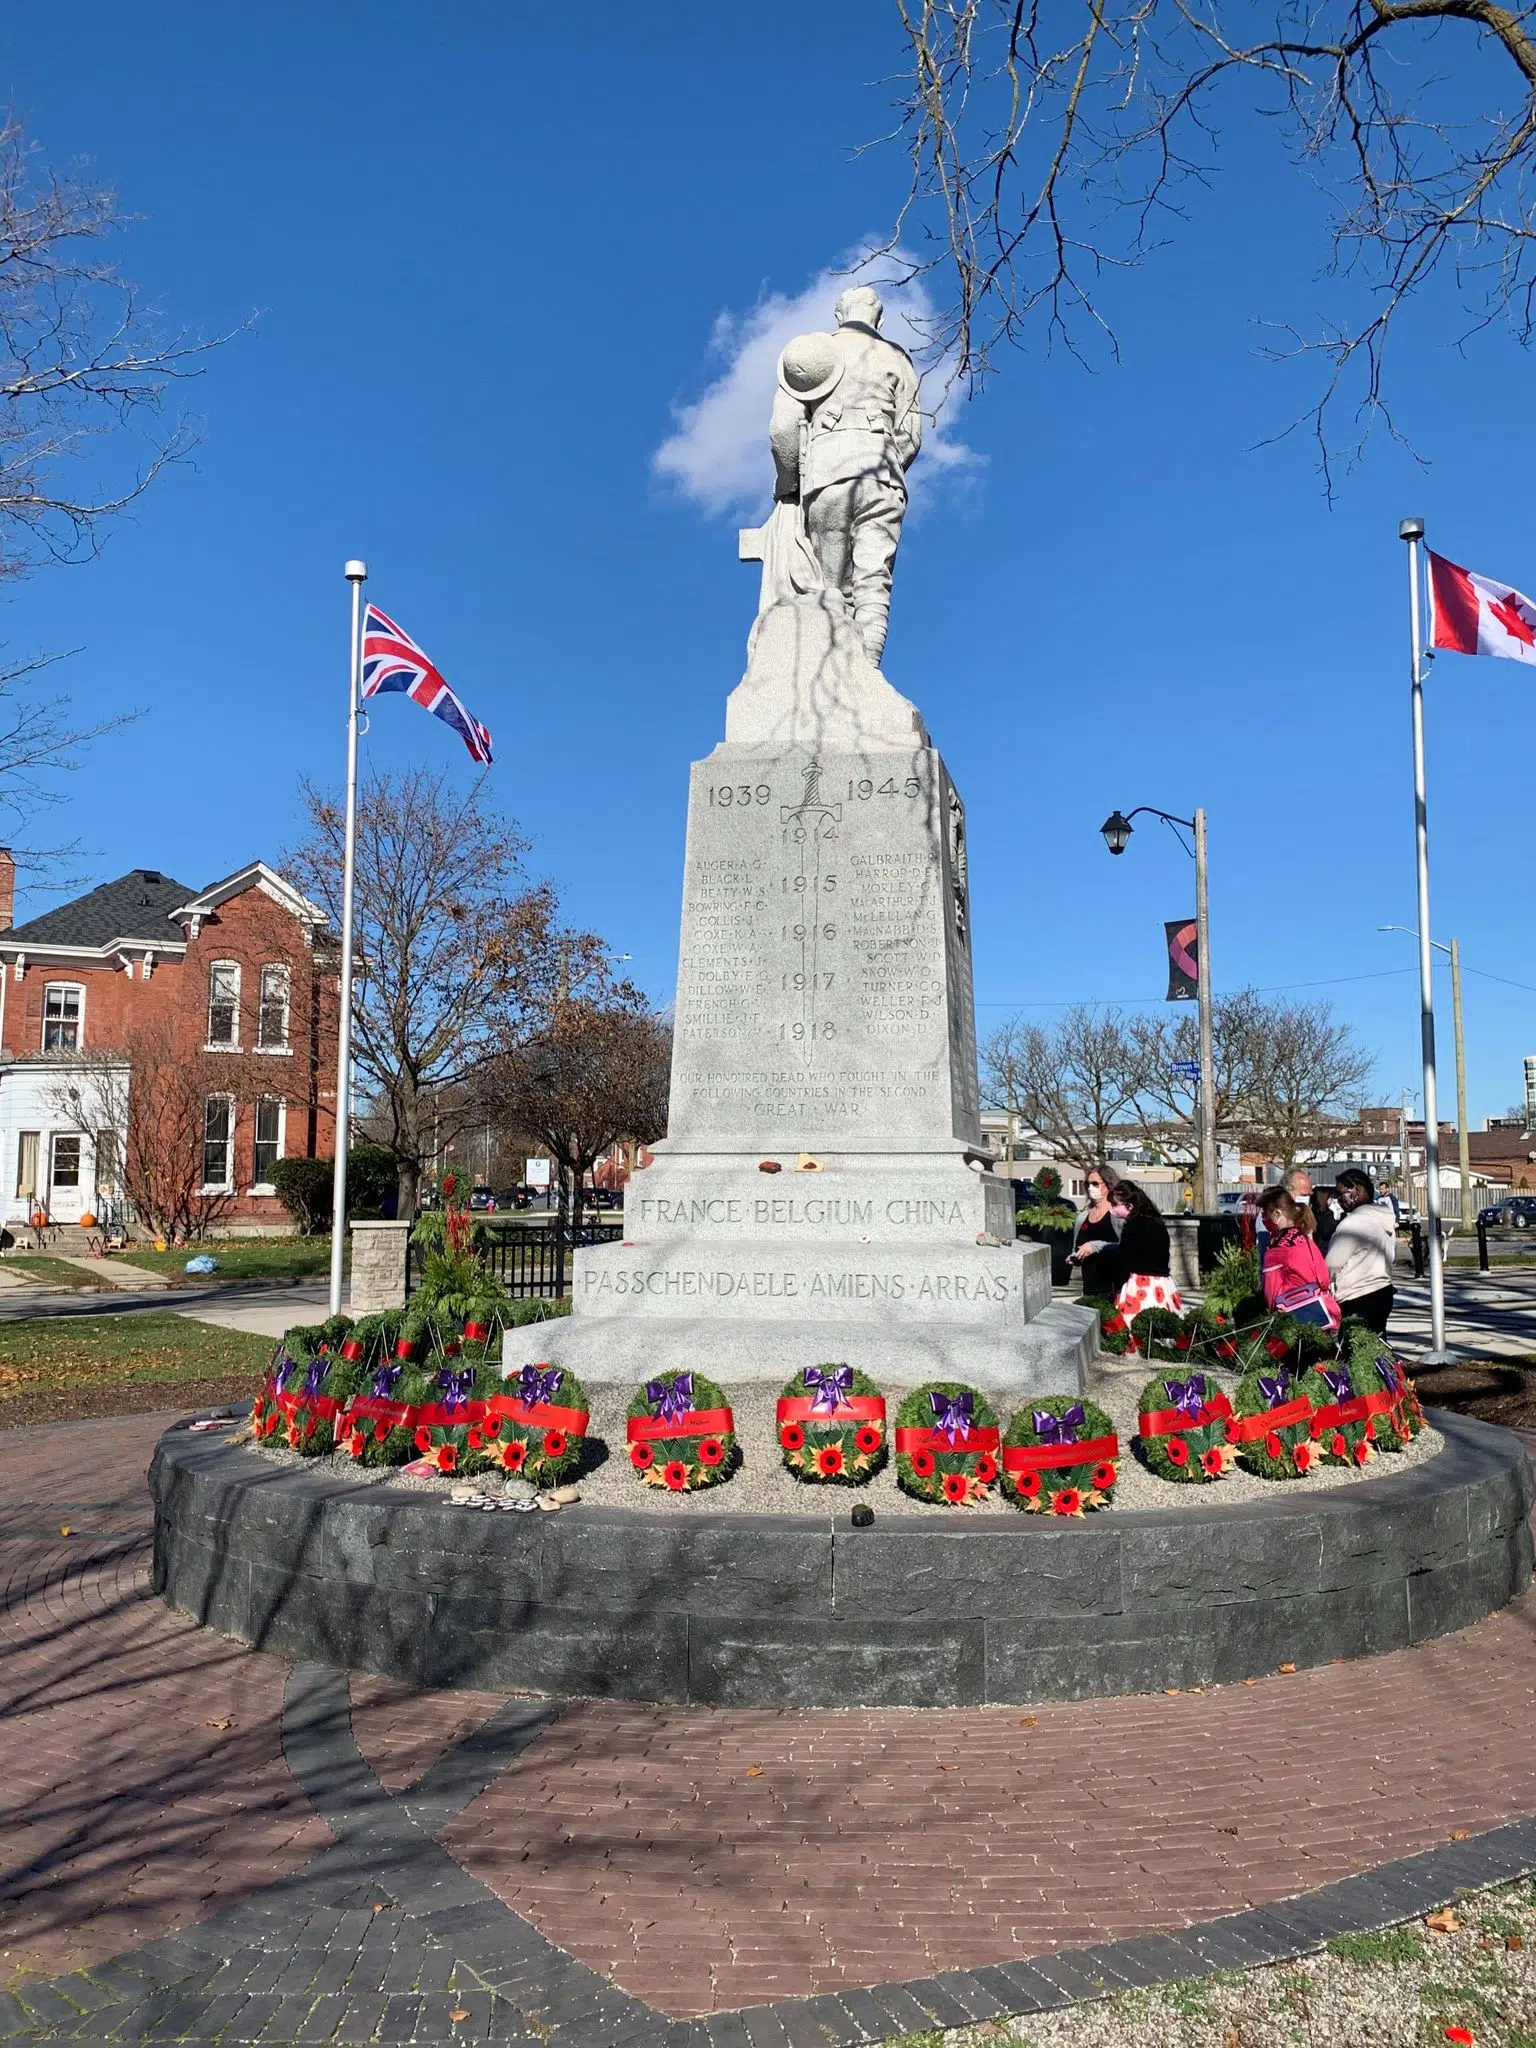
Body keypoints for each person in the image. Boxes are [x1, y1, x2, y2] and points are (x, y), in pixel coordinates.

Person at [764, 286, 923, 665]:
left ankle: (834, 672)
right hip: (882, 473)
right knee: (873, 580)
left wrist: (790, 484)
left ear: (839, 315)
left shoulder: (813, 354)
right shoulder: (898, 360)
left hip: (827, 474)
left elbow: (783, 429)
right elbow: (911, 436)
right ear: (878, 318)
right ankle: (867, 670)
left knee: (830, 589)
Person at [1325, 1167, 1397, 1333]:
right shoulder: (1383, 1219)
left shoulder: (1352, 1225)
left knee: (1357, 1352)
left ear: (1356, 1191)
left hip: (1357, 1296)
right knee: (1377, 1346)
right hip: (1383, 1291)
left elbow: (1332, 1265)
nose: (1338, 1199)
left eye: (1340, 1193)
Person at [1259, 1189, 1341, 1329]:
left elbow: (1271, 1297)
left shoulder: (1276, 1250)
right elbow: (1323, 1279)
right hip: (1325, 1316)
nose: (1263, 1219)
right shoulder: (1305, 1240)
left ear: (1277, 1214)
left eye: (1264, 1214)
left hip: (1293, 1324)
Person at [1104, 1178, 1183, 1322]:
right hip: (1162, 1284)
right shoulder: (1155, 1221)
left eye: (1115, 1204)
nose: (1111, 1208)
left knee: (1133, 1327)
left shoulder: (1133, 1225)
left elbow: (1125, 1257)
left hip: (1140, 1284)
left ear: (1129, 1205)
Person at [1065, 1165, 1120, 1299]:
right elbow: (1076, 1247)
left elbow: (1128, 1247)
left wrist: (1095, 1246)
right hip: (1089, 1291)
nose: (1091, 1188)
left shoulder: (1118, 1215)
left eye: (1095, 1184)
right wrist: (1075, 1257)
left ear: (1109, 1184)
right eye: (1088, 1184)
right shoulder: (1082, 1217)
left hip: (1116, 1290)